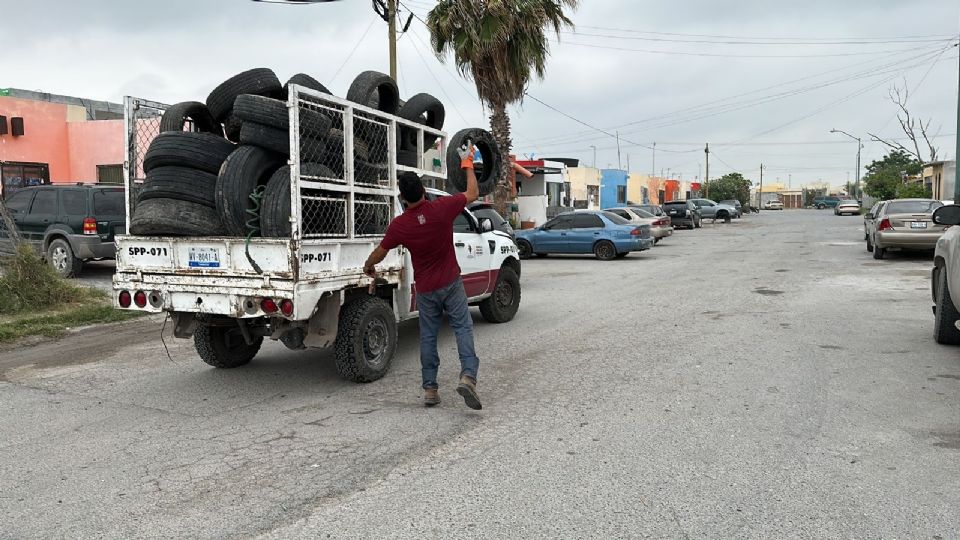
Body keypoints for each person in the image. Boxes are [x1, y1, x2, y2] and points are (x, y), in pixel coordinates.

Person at [363, 143, 482, 410]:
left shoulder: (400, 226)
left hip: (427, 290)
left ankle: (430, 390)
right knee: (463, 327)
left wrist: (368, 266)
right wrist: (467, 163)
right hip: (451, 283)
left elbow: (380, 253)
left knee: (428, 336)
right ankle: (468, 377)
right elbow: (473, 192)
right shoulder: (443, 208)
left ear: (403, 199)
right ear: (425, 191)